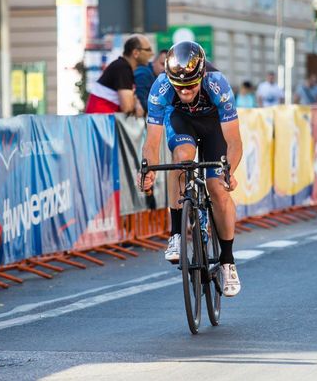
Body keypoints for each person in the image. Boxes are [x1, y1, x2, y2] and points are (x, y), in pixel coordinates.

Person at [138, 41, 243, 297]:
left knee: (217, 188)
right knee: (182, 159)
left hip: (213, 126)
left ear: (202, 75)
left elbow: (234, 141)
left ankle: (227, 261)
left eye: (191, 85)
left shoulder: (217, 83)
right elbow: (151, 142)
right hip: (181, 121)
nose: (185, 91)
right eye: (179, 86)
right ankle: (176, 233)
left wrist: (229, 171)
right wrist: (148, 171)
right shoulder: (161, 86)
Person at [85, 34, 153, 116]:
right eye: (148, 50)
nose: (152, 53)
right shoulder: (122, 68)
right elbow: (127, 108)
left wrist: (135, 102)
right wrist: (136, 103)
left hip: (103, 120)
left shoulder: (123, 67)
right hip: (100, 121)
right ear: (135, 53)